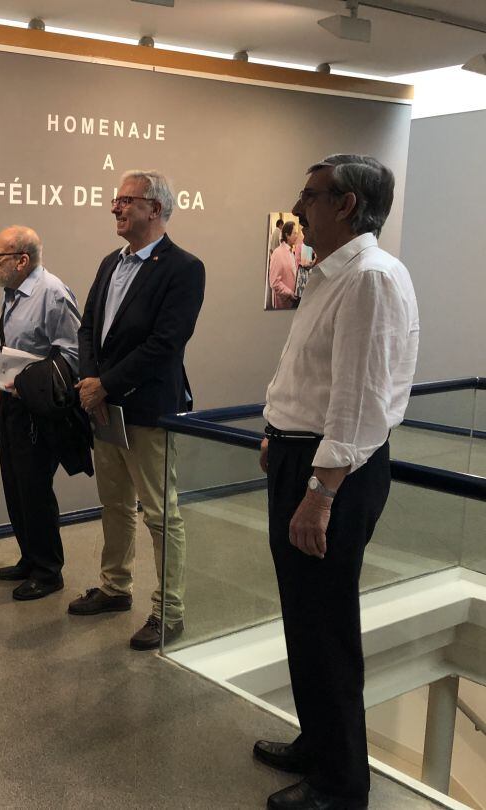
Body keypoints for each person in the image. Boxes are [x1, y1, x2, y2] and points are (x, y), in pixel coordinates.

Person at [253, 154, 419, 810]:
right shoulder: (332, 275)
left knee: (326, 626)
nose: (300, 206)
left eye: (312, 194)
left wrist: (319, 492)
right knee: (304, 616)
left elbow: (358, 398)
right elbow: (313, 373)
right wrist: (278, 429)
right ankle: (316, 743)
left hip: (337, 472)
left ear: (346, 204)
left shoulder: (371, 278)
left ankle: (341, 784)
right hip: (305, 456)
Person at [70, 169, 205, 651]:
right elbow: (87, 327)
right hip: (104, 408)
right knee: (114, 504)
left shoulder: (184, 268)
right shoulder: (112, 262)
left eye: (126, 200)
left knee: (161, 514)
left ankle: (169, 611)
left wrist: (105, 384)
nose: (116, 207)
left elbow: (166, 345)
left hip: (148, 410)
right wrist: (91, 382)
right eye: (116, 199)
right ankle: (114, 587)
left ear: (156, 208)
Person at [0, 225, 81, 601]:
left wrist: (25, 383)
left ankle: (48, 570)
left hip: (37, 408)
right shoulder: (12, 293)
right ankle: (29, 556)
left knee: (35, 488)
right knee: (16, 484)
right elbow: (12, 347)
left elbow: (71, 353)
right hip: (12, 402)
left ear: (22, 260)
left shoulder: (52, 293)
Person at [269, 220, 300, 309]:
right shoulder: (278, 253)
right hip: (284, 303)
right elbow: (274, 282)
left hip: (292, 300)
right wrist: (289, 293)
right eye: (294, 233)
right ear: (287, 235)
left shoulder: (290, 252)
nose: (296, 236)